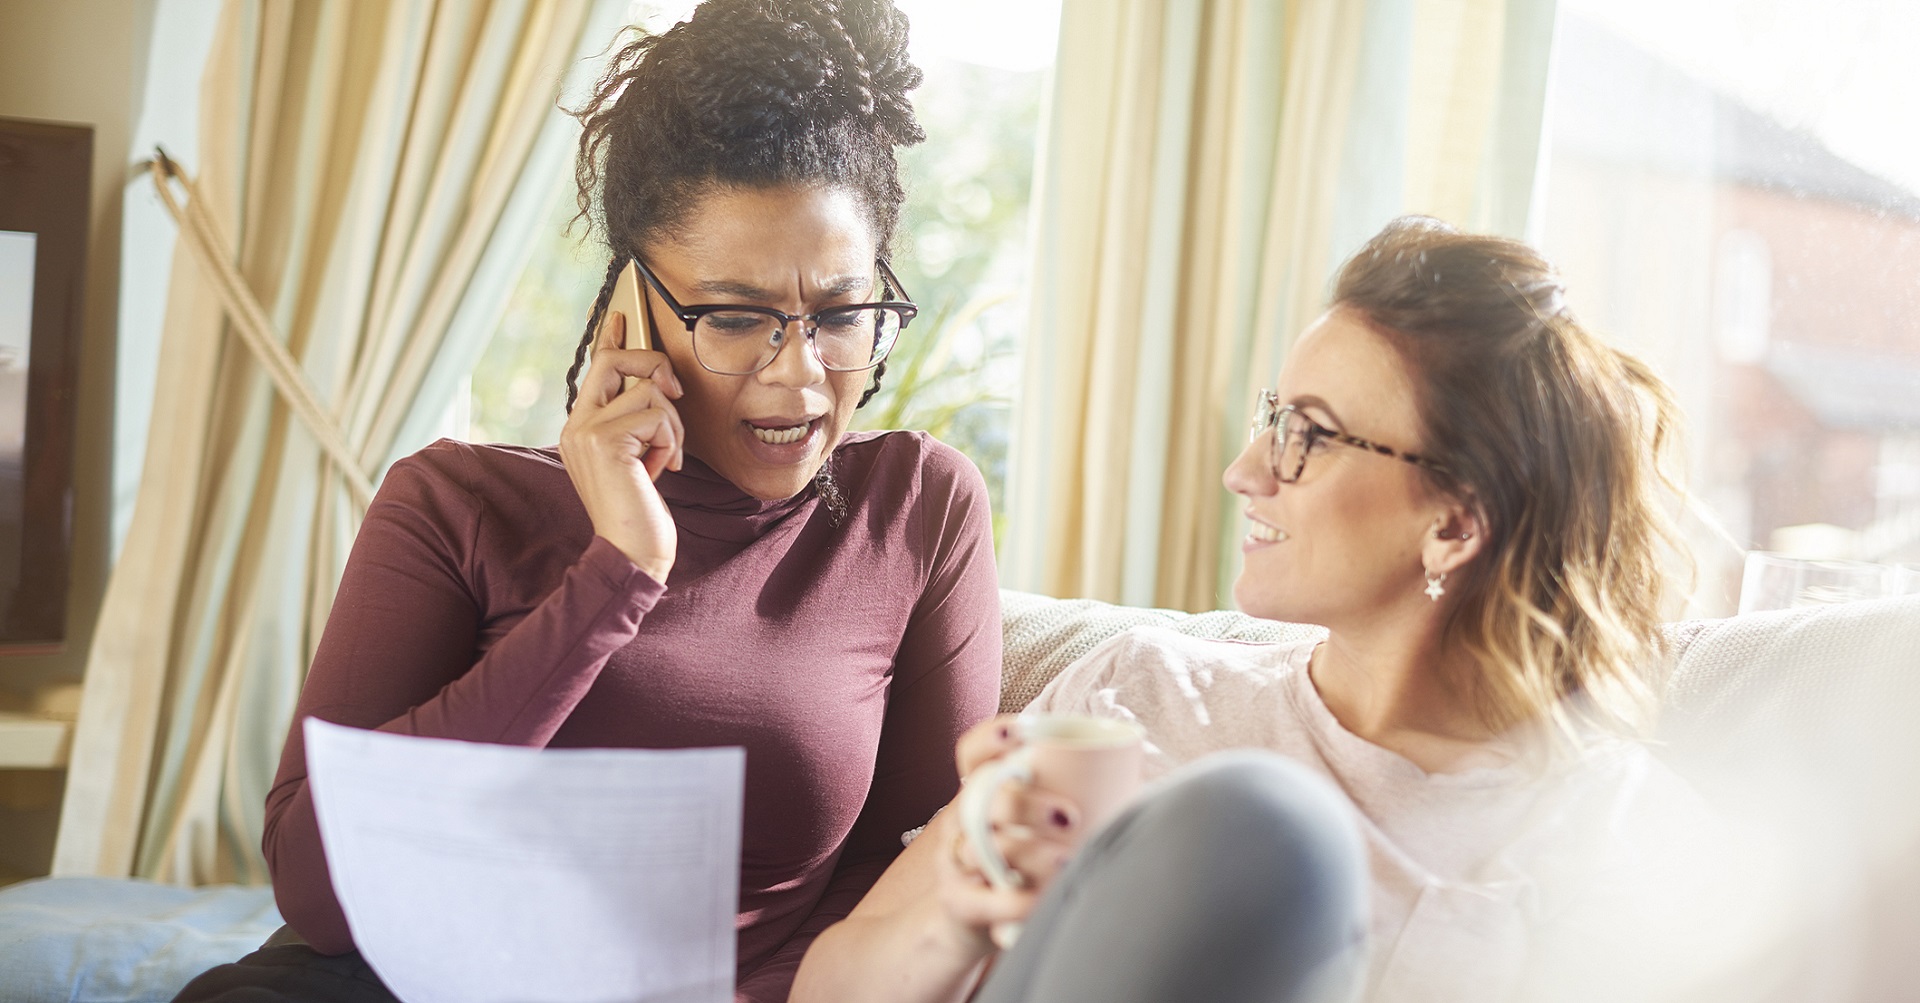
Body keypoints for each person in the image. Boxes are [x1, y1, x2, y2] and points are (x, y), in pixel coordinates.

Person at [173, 3, 1001, 1002]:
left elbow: (912, 872)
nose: (802, 378)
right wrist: (616, 575)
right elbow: (315, 890)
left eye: (840, 314)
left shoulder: (916, 507)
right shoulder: (451, 503)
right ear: (633, 305)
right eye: (735, 318)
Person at [793, 217, 1738, 1003]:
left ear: (1454, 523)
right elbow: (826, 988)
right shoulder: (1135, 697)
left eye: (1309, 437)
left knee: (1263, 828)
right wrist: (960, 905)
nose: (1245, 473)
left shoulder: (1628, 840)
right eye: (1272, 418)